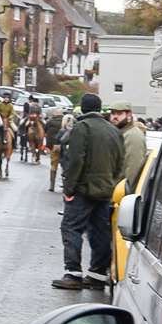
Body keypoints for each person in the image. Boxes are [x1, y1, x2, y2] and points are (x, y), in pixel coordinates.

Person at [53, 93, 125, 290]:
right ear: (100, 108)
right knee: (100, 231)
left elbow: (76, 161)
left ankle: (73, 274)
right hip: (106, 191)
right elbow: (120, 163)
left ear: (82, 109)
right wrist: (112, 184)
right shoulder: (113, 130)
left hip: (83, 190)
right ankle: (97, 275)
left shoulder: (81, 128)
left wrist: (69, 188)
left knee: (71, 228)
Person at [110, 101, 148, 194]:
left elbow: (133, 170)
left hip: (122, 195)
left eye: (119, 113)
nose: (115, 117)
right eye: (113, 113)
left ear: (129, 115)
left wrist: (126, 196)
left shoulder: (132, 136)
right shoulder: (121, 133)